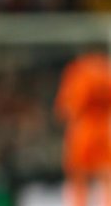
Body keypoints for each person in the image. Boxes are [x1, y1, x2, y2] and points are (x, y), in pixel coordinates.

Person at [55, 51, 111, 206]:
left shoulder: (77, 72)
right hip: (103, 131)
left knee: (79, 177)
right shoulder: (105, 70)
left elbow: (67, 107)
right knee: (105, 175)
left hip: (82, 132)